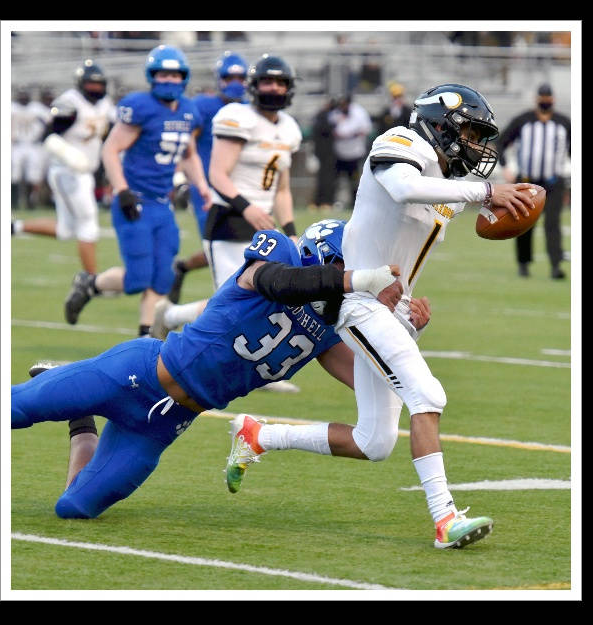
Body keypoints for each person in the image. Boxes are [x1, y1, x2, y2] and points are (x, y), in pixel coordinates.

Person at [228, 85, 537, 549]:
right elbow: (403, 188)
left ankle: (259, 435)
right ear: (441, 124)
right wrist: (484, 191)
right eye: (470, 132)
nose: (476, 145)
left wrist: (409, 302)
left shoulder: (449, 186)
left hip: (388, 306)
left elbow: (412, 239)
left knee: (374, 441)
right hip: (356, 300)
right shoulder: (399, 142)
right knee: (427, 393)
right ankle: (445, 518)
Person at [14, 220, 404, 519]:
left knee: (74, 508)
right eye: (341, 270)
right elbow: (274, 281)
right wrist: (346, 280)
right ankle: (74, 394)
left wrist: (405, 332)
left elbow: (376, 383)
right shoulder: (279, 255)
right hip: (138, 374)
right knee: (13, 409)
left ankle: (81, 419)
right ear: (322, 258)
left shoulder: (328, 332)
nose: (347, 286)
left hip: (166, 423)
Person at [64, 45, 212, 342]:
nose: (168, 80)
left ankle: (146, 342)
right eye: (162, 74)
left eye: (174, 74)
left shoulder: (188, 110)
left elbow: (190, 154)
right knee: (138, 279)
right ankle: (90, 284)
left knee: (163, 278)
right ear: (152, 76)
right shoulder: (140, 107)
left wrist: (203, 187)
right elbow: (111, 149)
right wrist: (122, 190)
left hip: (161, 203)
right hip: (134, 201)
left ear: (183, 77)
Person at [148, 54, 300, 337]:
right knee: (235, 305)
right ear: (253, 85)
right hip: (230, 220)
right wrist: (247, 208)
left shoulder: (289, 127)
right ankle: (170, 317)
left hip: (264, 226)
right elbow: (217, 174)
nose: (274, 88)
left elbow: (282, 188)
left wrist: (290, 230)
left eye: (280, 83)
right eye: (267, 81)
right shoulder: (237, 117)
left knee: (266, 302)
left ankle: (170, 315)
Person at [11, 60, 115, 276]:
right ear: (81, 84)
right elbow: (48, 136)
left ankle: (13, 227)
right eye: (90, 85)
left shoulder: (106, 105)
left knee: (66, 230)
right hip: (68, 171)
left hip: (85, 172)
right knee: (88, 224)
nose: (95, 89)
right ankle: (92, 282)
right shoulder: (70, 103)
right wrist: (70, 155)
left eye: (99, 85)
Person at [167, 51, 249, 304]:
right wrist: (182, 177)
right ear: (219, 79)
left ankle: (183, 267)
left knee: (246, 249)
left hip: (243, 190)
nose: (234, 82)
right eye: (228, 77)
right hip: (208, 189)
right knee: (218, 247)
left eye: (239, 76)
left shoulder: (250, 109)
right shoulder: (204, 106)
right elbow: (187, 144)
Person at [497, 83, 571, 279]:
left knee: (553, 224)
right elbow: (501, 142)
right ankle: (523, 263)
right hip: (527, 181)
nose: (545, 101)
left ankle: (556, 266)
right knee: (523, 222)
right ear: (537, 99)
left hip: (554, 182)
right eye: (542, 97)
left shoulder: (564, 123)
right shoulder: (523, 121)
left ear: (553, 99)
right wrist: (506, 168)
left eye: (548, 97)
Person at [328, 93, 372, 210]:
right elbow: (330, 128)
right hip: (339, 152)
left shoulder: (359, 112)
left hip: (355, 152)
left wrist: (350, 134)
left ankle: (355, 203)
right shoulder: (335, 113)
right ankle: (335, 202)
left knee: (354, 180)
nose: (342, 107)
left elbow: (366, 129)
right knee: (337, 180)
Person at [9, 88, 49, 210]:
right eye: (21, 95)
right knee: (14, 173)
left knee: (33, 175)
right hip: (17, 144)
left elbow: (48, 121)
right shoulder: (12, 107)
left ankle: (30, 202)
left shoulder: (36, 108)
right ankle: (14, 202)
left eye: (25, 95)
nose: (23, 98)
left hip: (33, 144)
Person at [308, 97, 339, 212]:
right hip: (325, 152)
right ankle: (324, 202)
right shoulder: (324, 116)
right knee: (325, 178)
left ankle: (321, 201)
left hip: (324, 152)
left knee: (325, 178)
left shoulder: (322, 115)